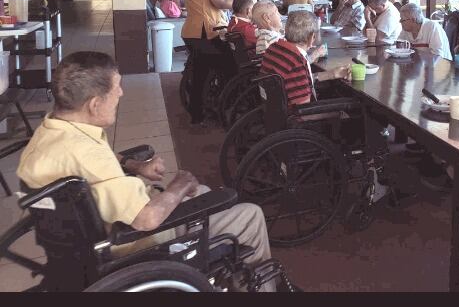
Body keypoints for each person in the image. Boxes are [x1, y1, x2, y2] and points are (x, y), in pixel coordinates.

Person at [16, 52, 276, 291]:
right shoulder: (89, 155)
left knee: (204, 192)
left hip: (89, 240)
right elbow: (146, 219)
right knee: (250, 214)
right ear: (95, 104)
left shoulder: (53, 131)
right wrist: (180, 184)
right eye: (116, 88)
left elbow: (93, 161)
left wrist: (134, 165)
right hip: (139, 242)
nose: (121, 93)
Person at [180, 0, 235, 126]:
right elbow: (220, 2)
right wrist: (241, 2)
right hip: (203, 32)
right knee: (229, 64)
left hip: (193, 31)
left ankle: (198, 113)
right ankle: (221, 105)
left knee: (200, 74)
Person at [260, 11, 349, 107]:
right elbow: (303, 108)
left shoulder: (273, 48)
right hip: (295, 114)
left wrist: (332, 74)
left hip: (270, 108)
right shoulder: (296, 61)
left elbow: (295, 82)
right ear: (312, 37)